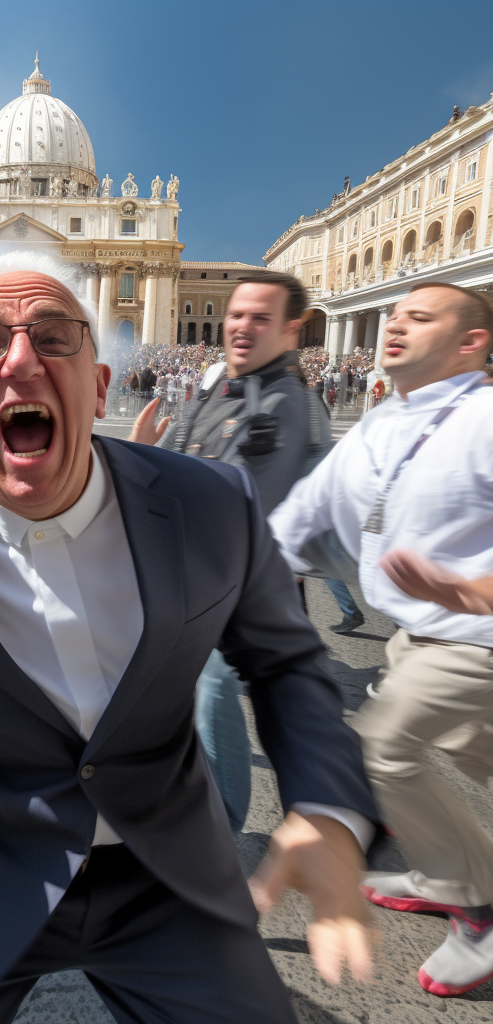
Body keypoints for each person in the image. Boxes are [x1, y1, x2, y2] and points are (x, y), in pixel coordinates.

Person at [0, 252, 378, 1024]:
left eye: (55, 335)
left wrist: (329, 806)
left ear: (100, 387)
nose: (23, 359)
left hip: (164, 875)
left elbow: (285, 660)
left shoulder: (213, 504)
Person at [270, 282, 493, 997]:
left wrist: (472, 592)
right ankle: (447, 866)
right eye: (393, 315)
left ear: (472, 343)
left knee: (380, 748)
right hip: (414, 634)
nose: (395, 324)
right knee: (472, 750)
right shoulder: (381, 423)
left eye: (419, 317)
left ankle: (480, 909)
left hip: (477, 635)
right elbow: (299, 520)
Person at [130, 271, 359, 831]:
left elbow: (320, 509)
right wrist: (141, 460)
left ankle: (220, 839)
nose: (241, 326)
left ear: (290, 328)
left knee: (213, 697)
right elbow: (183, 475)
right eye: (236, 314)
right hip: (187, 588)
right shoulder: (218, 389)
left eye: (260, 317)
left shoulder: (295, 404)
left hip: (238, 599)